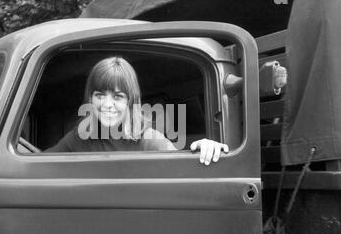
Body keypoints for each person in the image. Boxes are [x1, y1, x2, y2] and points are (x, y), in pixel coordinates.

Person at [46, 56, 228, 165]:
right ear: (90, 99)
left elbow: (184, 169)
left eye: (118, 97)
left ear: (130, 101)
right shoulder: (80, 136)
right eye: (100, 95)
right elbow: (38, 164)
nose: (107, 104)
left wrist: (207, 148)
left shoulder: (149, 140)